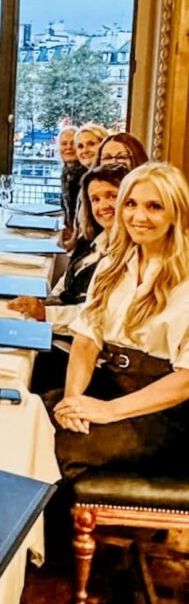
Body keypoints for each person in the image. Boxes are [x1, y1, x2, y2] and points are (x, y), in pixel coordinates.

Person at [48, 162, 189, 481]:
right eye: (131, 204)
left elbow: (185, 379)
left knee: (60, 446)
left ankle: (56, 530)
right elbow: (86, 342)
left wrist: (108, 411)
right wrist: (74, 399)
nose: (139, 217)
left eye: (154, 206)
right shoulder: (113, 264)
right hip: (108, 382)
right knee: (30, 422)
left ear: (176, 212)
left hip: (164, 410)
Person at [9, 162, 130, 332]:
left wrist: (46, 313)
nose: (103, 206)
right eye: (95, 199)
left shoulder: (130, 255)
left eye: (111, 196)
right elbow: (66, 280)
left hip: (80, 338)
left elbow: (99, 314)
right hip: (59, 322)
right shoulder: (93, 239)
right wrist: (48, 302)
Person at [57, 126, 84, 235]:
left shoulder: (84, 175)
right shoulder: (66, 172)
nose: (68, 147)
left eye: (73, 143)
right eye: (64, 143)